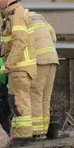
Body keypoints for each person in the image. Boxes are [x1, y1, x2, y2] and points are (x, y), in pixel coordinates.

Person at [0, 0, 39, 141]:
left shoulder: (16, 16)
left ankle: (22, 136)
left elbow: (19, 41)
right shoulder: (14, 14)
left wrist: (9, 65)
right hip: (21, 67)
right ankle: (24, 134)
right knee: (22, 101)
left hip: (19, 68)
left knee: (19, 102)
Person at [28, 8, 60, 137]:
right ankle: (44, 130)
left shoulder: (19, 20)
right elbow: (53, 37)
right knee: (45, 97)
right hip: (52, 59)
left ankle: (37, 132)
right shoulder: (40, 18)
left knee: (35, 95)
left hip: (40, 61)